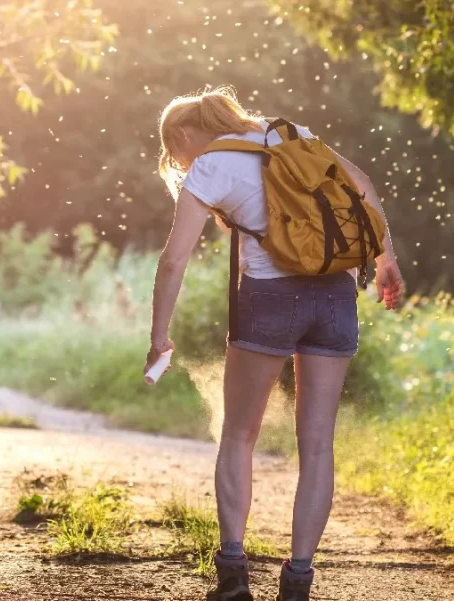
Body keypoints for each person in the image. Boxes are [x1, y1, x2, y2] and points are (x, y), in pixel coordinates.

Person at [145, 86, 405, 601]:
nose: (176, 161)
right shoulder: (290, 135)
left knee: (239, 434)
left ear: (181, 136)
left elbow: (174, 259)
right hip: (335, 295)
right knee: (317, 445)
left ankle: (234, 576)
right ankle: (298, 581)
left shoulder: (211, 166)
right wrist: (386, 260)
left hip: (268, 298)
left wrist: (159, 337)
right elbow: (364, 184)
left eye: (172, 152)